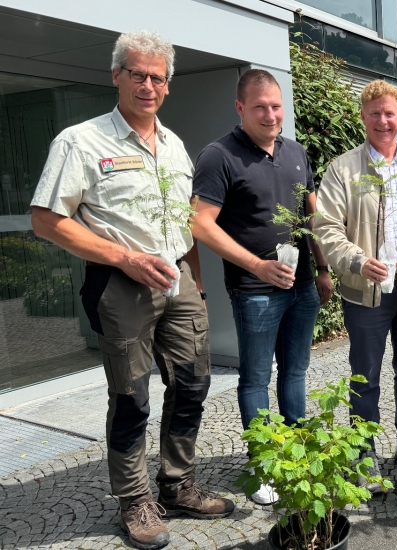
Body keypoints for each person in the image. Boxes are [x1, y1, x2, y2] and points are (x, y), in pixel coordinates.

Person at [29, 30, 234, 550]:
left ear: (168, 85)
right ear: (116, 75)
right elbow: (47, 219)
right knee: (131, 397)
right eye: (137, 74)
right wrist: (124, 257)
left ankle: (177, 483)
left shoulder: (175, 145)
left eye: (157, 78)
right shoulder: (81, 141)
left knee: (193, 385)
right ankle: (135, 498)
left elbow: (184, 222)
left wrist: (197, 283)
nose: (148, 86)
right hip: (120, 285)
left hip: (178, 280)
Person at [191, 69, 333, 505]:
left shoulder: (296, 152)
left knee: (295, 372)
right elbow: (200, 223)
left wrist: (323, 268)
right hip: (254, 290)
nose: (270, 115)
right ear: (240, 107)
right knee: (256, 378)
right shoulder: (219, 156)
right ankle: (264, 464)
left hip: (302, 286)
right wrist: (257, 266)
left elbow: (311, 216)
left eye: (275, 106)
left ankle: (295, 455)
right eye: (259, 107)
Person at [314, 80, 397, 492]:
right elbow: (326, 227)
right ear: (363, 117)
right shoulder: (342, 169)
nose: (383, 121)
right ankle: (363, 451)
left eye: (389, 114)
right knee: (364, 374)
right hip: (365, 290)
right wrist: (357, 260)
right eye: (374, 114)